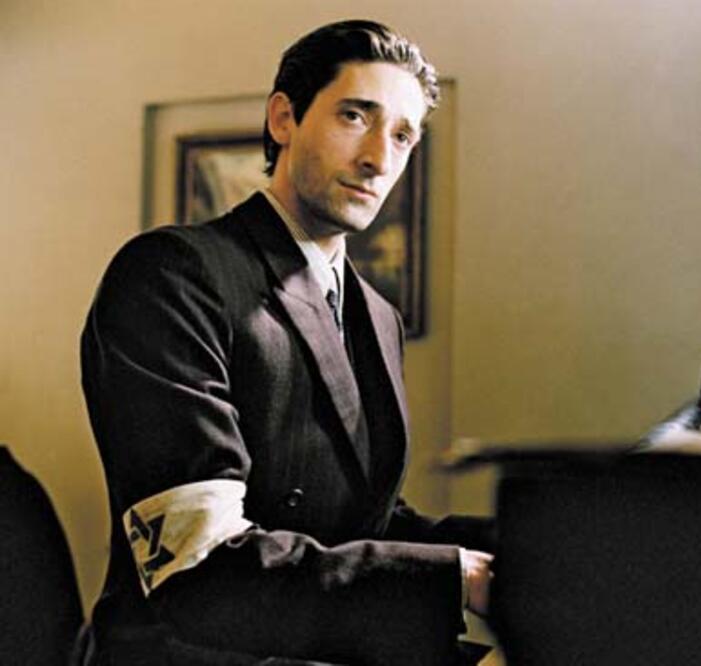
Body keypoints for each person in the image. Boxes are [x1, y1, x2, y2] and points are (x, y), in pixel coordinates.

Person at [81, 20, 494, 666]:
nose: (379, 158)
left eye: (403, 135)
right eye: (355, 116)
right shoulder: (171, 274)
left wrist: (534, 548)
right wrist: (456, 579)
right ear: (283, 118)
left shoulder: (377, 315)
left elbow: (363, 521)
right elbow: (200, 570)